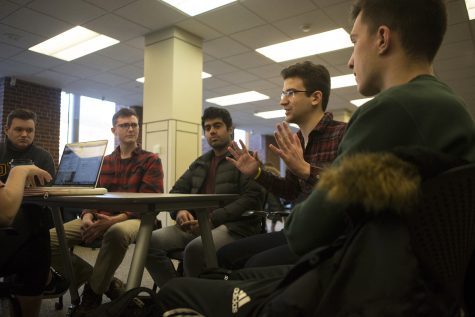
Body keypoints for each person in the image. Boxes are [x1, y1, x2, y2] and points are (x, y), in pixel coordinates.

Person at [154, 0, 475, 315]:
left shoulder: (387, 111)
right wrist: (262, 176)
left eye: (354, 42)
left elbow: (306, 232)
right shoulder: (451, 107)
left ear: (382, 38)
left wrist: (306, 177)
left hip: (363, 284)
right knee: (228, 269)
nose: (351, 61)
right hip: (409, 284)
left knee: (176, 291)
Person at [218, 61, 346, 269]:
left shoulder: (342, 133)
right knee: (226, 255)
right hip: (298, 230)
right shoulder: (297, 140)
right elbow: (292, 191)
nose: (283, 102)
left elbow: (350, 190)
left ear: (315, 97)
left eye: (291, 93)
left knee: (253, 264)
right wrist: (258, 173)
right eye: (283, 94)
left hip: (329, 237)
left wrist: (306, 170)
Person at [49, 107, 164, 313]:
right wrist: (87, 215)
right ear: (114, 130)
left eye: (134, 125)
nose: (130, 129)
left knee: (116, 232)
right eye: (124, 125)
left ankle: (92, 294)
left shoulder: (151, 160)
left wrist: (111, 221)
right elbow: (92, 196)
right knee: (49, 240)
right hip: (100, 216)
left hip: (136, 219)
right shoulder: (105, 162)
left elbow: (149, 204)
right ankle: (106, 282)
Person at [145, 106, 264, 287]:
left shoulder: (245, 161)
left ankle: (196, 300)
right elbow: (175, 191)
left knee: (195, 249)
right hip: (196, 225)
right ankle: (177, 293)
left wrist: (211, 220)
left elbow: (252, 198)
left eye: (217, 126)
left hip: (234, 227)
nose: (212, 131)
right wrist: (180, 211)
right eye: (207, 128)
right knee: (148, 242)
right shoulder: (200, 163)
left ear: (230, 129)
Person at [0, 164, 52, 317]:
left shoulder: (43, 156)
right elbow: (5, 211)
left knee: (31, 220)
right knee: (36, 237)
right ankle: (47, 276)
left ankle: (48, 276)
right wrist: (20, 170)